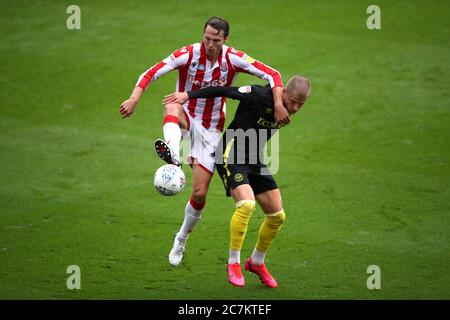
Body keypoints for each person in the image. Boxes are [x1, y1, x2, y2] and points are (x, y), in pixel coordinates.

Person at [119, 16, 290, 267]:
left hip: (211, 130)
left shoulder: (233, 58)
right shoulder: (187, 54)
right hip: (187, 114)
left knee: (199, 193)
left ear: (225, 40)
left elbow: (273, 75)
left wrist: (277, 104)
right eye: (207, 38)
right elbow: (151, 73)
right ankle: (173, 156)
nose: (210, 44)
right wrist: (134, 98)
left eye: (216, 40)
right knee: (174, 104)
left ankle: (180, 238)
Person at [163, 75, 311, 288]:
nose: (295, 107)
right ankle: (233, 263)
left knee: (277, 216)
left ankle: (256, 262)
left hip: (254, 159)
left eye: (301, 104)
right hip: (230, 154)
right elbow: (224, 90)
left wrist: (282, 107)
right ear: (284, 92)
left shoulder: (285, 108)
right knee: (246, 205)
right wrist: (188, 95)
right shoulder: (259, 95)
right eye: (293, 101)